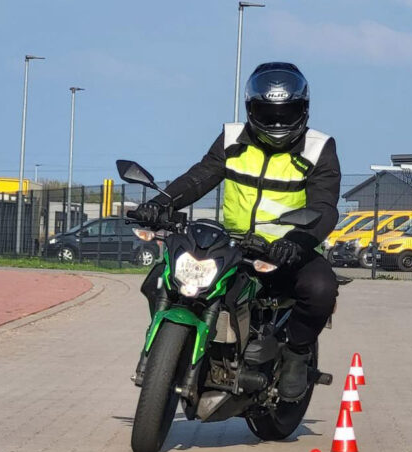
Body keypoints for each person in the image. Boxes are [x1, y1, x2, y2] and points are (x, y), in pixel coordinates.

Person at [130, 62, 340, 402]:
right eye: (266, 112)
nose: (276, 122)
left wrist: (296, 243)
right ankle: (170, 354)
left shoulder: (319, 148)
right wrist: (161, 203)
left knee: (320, 288)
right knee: (160, 277)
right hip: (234, 245)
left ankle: (297, 355)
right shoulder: (232, 138)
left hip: (287, 249)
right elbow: (200, 176)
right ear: (250, 109)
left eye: (285, 113)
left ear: (303, 110)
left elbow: (324, 206)